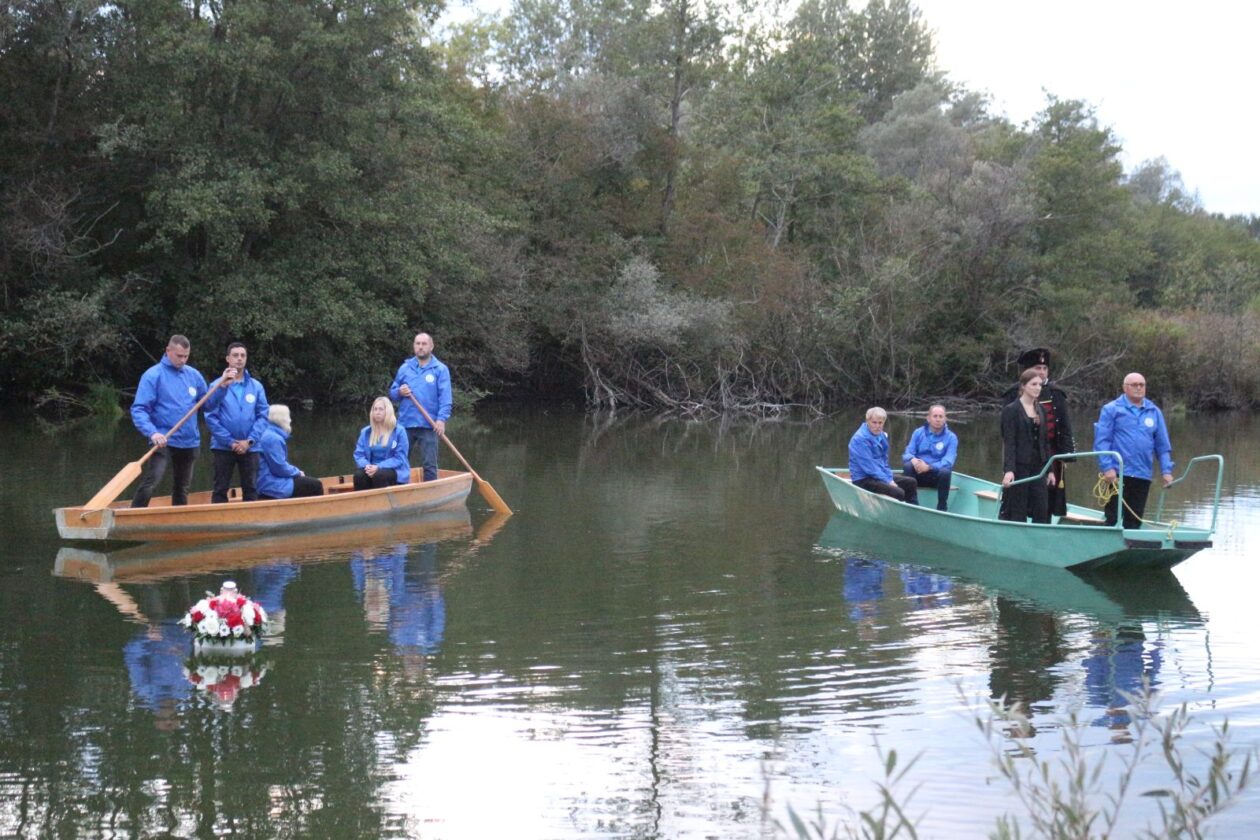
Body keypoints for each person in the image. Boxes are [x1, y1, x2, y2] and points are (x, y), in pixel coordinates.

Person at [129, 335, 229, 507]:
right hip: (163, 440)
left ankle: (179, 517)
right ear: (168, 351)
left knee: (182, 487)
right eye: (179, 356)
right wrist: (153, 432)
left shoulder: (194, 375)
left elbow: (207, 405)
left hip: (189, 441)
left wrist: (222, 387)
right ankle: (133, 515)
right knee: (152, 481)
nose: (182, 360)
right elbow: (139, 410)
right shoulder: (153, 375)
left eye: (186, 356)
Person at [1093, 372, 1174, 528]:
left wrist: (1166, 471)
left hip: (1142, 473)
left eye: (1141, 385)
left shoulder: (1154, 411)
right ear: (1125, 387)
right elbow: (1102, 441)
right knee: (1113, 518)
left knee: (1134, 519)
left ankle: (1131, 547)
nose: (1138, 388)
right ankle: (1110, 546)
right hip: (1117, 473)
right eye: (1134, 385)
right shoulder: (1111, 409)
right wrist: (1107, 468)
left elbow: (1162, 445)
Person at [1002, 348, 1076, 517]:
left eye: (1044, 369)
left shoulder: (1055, 394)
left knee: (1046, 501)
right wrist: (1008, 467)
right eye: (1037, 369)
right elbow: (1009, 437)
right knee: (1017, 501)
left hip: (1048, 455)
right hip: (1020, 456)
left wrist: (1065, 456)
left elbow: (1064, 427)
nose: (1041, 373)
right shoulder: (1013, 397)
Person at [204, 342, 269, 503]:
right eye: (235, 355)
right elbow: (210, 415)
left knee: (251, 488)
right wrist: (230, 442)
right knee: (220, 488)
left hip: (251, 446)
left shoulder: (256, 386)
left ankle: (252, 523)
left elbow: (263, 416)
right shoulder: (216, 385)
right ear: (228, 359)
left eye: (242, 355)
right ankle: (219, 523)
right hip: (223, 446)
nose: (239, 359)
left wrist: (250, 441)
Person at [389, 332, 451, 482]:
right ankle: (397, 490)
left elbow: (446, 398)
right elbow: (393, 393)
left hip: (429, 425)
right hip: (405, 424)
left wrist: (441, 420)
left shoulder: (440, 369)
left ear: (431, 346)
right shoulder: (405, 368)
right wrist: (399, 391)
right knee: (398, 461)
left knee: (429, 465)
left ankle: (431, 493)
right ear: (414, 346)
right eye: (418, 344)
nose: (420, 347)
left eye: (424, 344)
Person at [1000, 368, 1056, 523]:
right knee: (1018, 507)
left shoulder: (1041, 410)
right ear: (1023, 386)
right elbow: (1009, 442)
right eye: (1033, 384)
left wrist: (1049, 470)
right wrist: (1009, 470)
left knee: (1041, 506)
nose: (1038, 388)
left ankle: (1039, 540)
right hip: (1019, 465)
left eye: (1039, 384)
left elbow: (1045, 442)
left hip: (1039, 466)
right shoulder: (1011, 410)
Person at [849, 407, 919, 504]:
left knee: (911, 482)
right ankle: (899, 514)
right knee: (899, 492)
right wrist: (889, 481)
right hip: (863, 479)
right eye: (874, 422)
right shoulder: (859, 439)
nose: (877, 426)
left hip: (878, 476)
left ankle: (914, 510)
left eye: (880, 423)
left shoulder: (881, 436)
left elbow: (884, 462)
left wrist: (889, 477)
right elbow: (870, 467)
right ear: (867, 421)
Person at [256, 404, 324, 500]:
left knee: (304, 483)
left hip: (265, 482)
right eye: (288, 417)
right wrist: (297, 472)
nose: (290, 420)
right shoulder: (272, 438)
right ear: (281, 419)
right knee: (315, 485)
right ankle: (317, 513)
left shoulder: (266, 433)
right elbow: (279, 467)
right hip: (270, 485)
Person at [902, 404, 959, 511]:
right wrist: (913, 459)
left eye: (941, 416)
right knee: (908, 465)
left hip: (936, 477)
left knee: (946, 472)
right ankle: (911, 503)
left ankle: (942, 507)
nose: (938, 419)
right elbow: (907, 453)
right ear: (928, 418)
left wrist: (929, 467)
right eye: (935, 416)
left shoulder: (951, 438)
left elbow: (948, 461)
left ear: (945, 419)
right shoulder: (918, 433)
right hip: (918, 475)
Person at [353, 397, 411, 490]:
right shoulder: (365, 432)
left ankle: (382, 503)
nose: (377, 412)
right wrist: (366, 465)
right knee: (359, 475)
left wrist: (378, 467)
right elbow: (359, 455)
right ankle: (362, 503)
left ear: (387, 411)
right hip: (371, 468)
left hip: (393, 470)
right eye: (375, 409)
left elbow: (400, 458)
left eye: (381, 409)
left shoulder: (399, 431)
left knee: (379, 475)